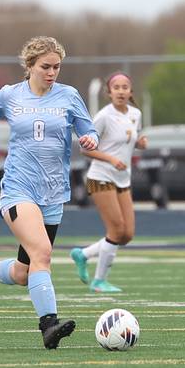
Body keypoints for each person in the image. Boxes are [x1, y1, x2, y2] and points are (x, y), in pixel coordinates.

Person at [0, 36, 99, 349]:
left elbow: (87, 129)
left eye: (56, 67)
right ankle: (48, 325)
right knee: (43, 253)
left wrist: (90, 139)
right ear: (29, 66)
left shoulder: (69, 95)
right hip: (18, 189)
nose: (52, 72)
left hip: (53, 193)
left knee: (25, 272)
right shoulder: (11, 95)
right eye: (45, 67)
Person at [69, 72, 146, 293]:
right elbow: (85, 148)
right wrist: (111, 159)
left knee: (127, 235)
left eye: (125, 87)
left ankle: (83, 254)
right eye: (117, 87)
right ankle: (99, 281)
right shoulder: (103, 116)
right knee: (116, 230)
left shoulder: (136, 114)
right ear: (109, 92)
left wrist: (140, 143)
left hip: (123, 179)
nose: (121, 91)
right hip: (100, 177)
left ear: (130, 91)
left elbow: (129, 141)